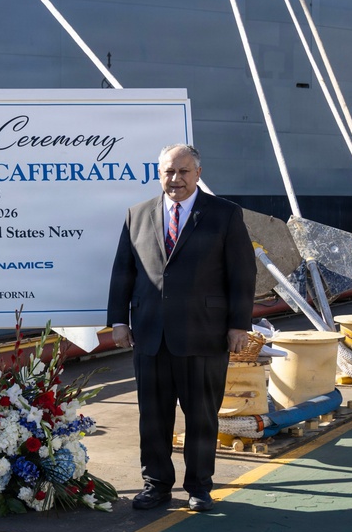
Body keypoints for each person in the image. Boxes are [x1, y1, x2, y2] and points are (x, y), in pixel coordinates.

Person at [106, 143, 255, 512]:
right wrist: (119, 320)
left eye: (183, 171)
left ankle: (200, 487)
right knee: (153, 417)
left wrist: (239, 326)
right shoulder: (137, 215)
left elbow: (242, 274)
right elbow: (123, 270)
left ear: (198, 173)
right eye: (168, 172)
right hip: (150, 336)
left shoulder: (225, 214)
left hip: (204, 335)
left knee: (201, 418)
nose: (175, 179)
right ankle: (155, 485)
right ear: (160, 174)